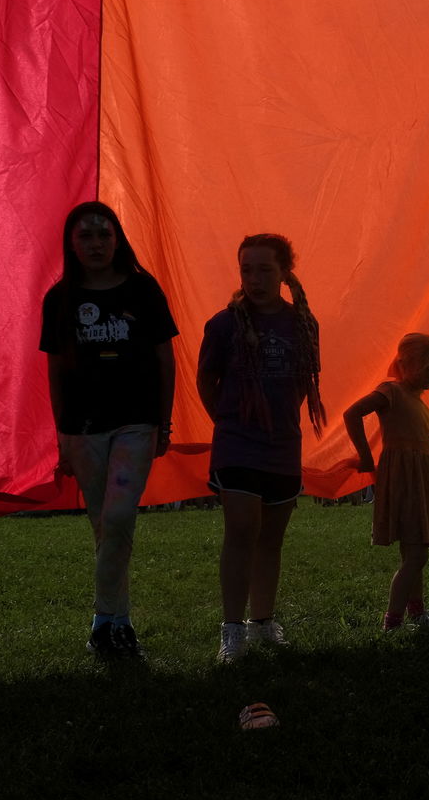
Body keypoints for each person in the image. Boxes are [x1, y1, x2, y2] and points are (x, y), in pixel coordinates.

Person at [39, 202, 177, 659]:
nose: (96, 244)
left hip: (136, 421)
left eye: (104, 234)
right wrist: (61, 434)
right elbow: (55, 371)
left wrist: (164, 420)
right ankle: (120, 624)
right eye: (86, 236)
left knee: (118, 518)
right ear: (71, 244)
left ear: (117, 239)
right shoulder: (59, 299)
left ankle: (102, 620)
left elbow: (164, 359)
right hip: (82, 427)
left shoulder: (143, 289)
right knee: (104, 526)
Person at [197, 234, 325, 663]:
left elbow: (305, 386)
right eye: (246, 270)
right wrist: (230, 423)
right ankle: (231, 631)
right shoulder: (222, 325)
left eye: (265, 269)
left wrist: (278, 421)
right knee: (241, 530)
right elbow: (205, 382)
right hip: (237, 445)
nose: (254, 278)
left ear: (286, 272)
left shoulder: (305, 324)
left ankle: (263, 623)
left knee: (271, 539)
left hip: (282, 447)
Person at [342, 333, 429, 631]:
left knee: (414, 551)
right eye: (427, 367)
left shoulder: (420, 403)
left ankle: (417, 612)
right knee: (417, 554)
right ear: (405, 364)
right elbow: (352, 413)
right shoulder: (392, 391)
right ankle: (393, 621)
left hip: (421, 479)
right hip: (405, 479)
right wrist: (366, 457)